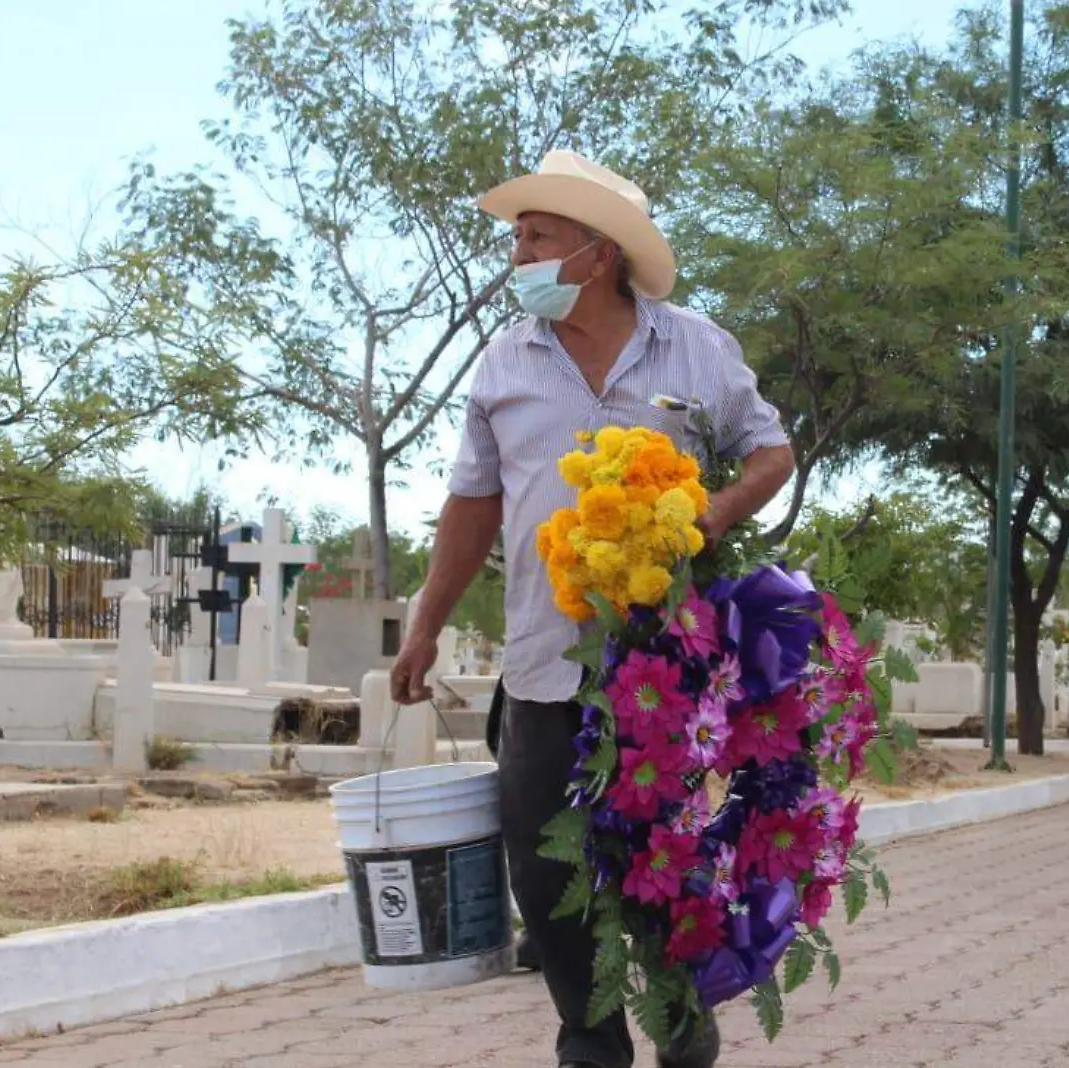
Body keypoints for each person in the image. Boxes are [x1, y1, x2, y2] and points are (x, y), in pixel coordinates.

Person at [390, 151, 795, 1068]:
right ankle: (590, 1042)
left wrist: (708, 514)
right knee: (545, 870)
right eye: (516, 237)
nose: (517, 255)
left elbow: (771, 452)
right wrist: (424, 624)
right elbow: (471, 506)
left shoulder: (695, 344)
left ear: (598, 254)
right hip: (542, 663)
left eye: (536, 237)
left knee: (670, 868)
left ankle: (685, 1028)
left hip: (667, 673)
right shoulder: (503, 361)